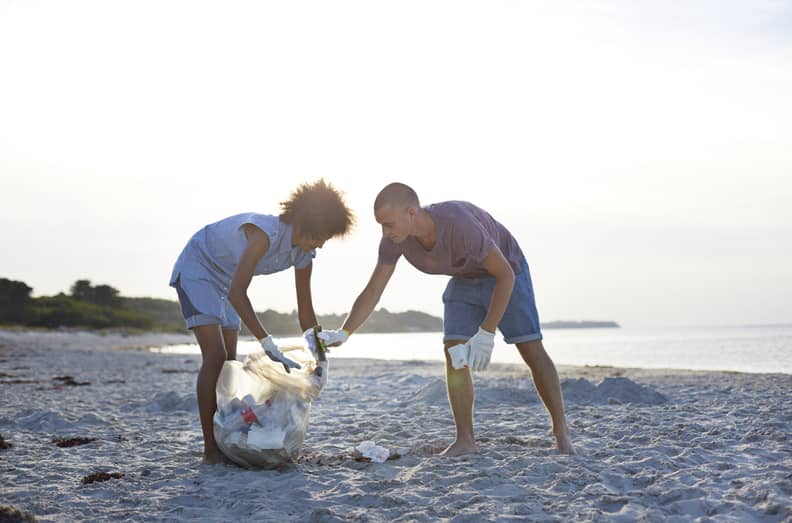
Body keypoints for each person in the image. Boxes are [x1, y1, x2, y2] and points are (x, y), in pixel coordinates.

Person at [318, 182, 574, 456]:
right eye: (381, 225)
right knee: (454, 349)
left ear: (412, 213)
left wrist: (486, 334)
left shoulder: (458, 224)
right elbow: (373, 291)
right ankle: (465, 440)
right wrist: (344, 333)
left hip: (507, 272)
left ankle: (562, 435)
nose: (385, 232)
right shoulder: (394, 242)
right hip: (465, 278)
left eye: (389, 224)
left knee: (531, 349)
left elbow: (505, 275)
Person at [169, 179, 354, 463]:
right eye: (321, 237)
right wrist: (267, 343)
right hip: (199, 268)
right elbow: (238, 293)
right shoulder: (264, 234)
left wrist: (321, 358)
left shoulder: (304, 254)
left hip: (226, 280)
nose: (321, 244)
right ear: (308, 223)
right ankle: (211, 449)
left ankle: (227, 436)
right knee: (216, 355)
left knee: (229, 363)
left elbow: (305, 311)